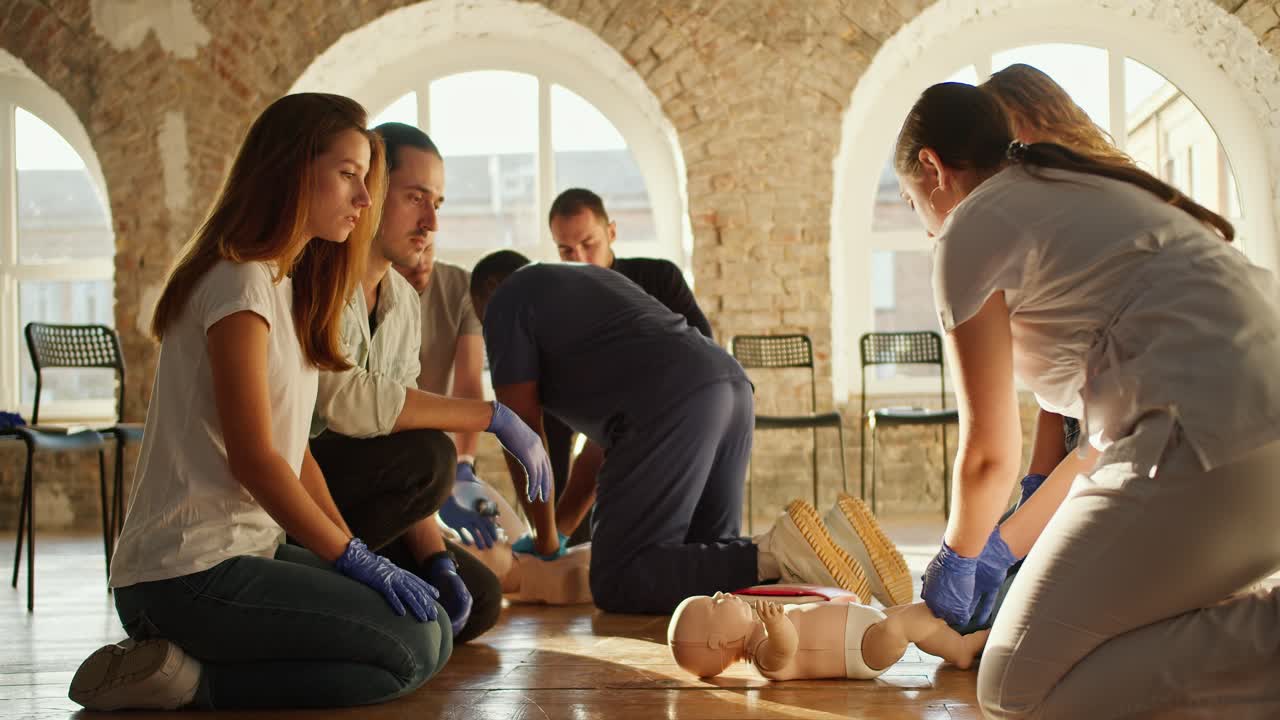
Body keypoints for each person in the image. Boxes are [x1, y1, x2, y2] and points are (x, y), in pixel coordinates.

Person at [897, 82, 1280, 717]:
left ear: (932, 167)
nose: (925, 223)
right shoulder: (1084, 191)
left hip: (1206, 444)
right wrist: (1004, 546)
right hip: (1243, 443)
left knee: (1014, 690)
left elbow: (990, 454)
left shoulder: (971, 226)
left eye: (913, 203)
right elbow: (1092, 450)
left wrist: (956, 557)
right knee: (1092, 655)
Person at [68, 94, 451, 711]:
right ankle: (188, 682)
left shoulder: (284, 284)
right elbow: (255, 459)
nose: (364, 198)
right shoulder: (238, 281)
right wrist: (350, 557)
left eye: (366, 179)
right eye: (348, 175)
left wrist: (352, 551)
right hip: (184, 575)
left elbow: (295, 452)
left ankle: (197, 666)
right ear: (294, 169)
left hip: (246, 553)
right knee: (410, 648)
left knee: (434, 632)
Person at [469, 250, 902, 614]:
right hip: (728, 388)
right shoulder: (581, 290)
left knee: (618, 579)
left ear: (487, 296)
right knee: (708, 571)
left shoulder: (507, 300)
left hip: (670, 400)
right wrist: (560, 530)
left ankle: (779, 551)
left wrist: (544, 541)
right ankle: (841, 548)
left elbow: (520, 434)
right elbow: (599, 451)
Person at [308, 122, 551, 644]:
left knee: (481, 598)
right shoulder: (318, 278)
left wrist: (436, 560)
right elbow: (348, 403)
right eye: (415, 197)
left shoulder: (401, 301)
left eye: (437, 202)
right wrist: (491, 417)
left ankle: (366, 602)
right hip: (302, 499)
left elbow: (398, 429)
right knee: (432, 455)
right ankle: (314, 579)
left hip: (365, 507)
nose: (431, 222)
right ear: (370, 191)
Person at [544, 188, 714, 542]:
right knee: (549, 416)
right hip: (600, 407)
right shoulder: (557, 301)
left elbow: (705, 349)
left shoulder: (659, 277)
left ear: (611, 232)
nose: (580, 258)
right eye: (566, 251)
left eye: (588, 243)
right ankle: (556, 534)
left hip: (670, 402)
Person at [394, 186, 496, 552]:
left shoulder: (461, 288)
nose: (422, 262)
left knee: (494, 543)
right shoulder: (379, 292)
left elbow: (468, 384)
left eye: (429, 251)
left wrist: (464, 465)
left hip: (442, 449)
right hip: (397, 451)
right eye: (414, 254)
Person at [668, 592, 990, 680]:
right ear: (718, 641)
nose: (721, 594)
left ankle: (956, 644)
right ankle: (958, 627)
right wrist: (777, 625)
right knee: (901, 626)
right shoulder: (762, 656)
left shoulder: (759, 627)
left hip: (864, 626)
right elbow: (786, 650)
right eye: (714, 604)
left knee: (898, 616)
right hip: (863, 652)